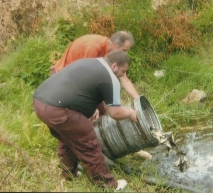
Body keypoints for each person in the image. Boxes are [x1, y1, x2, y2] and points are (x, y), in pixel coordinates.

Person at [33, 50, 137, 190]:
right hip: (59, 110)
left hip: (40, 103)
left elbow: (87, 92)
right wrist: (131, 113)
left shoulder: (90, 62)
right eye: (123, 71)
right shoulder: (109, 77)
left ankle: (69, 173)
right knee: (89, 144)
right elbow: (116, 113)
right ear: (114, 66)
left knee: (68, 138)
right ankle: (107, 185)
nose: (122, 75)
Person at [50, 30, 152, 160]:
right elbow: (84, 79)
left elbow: (124, 78)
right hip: (64, 80)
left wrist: (138, 100)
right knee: (73, 122)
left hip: (85, 81)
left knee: (103, 116)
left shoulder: (113, 55)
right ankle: (74, 159)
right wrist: (91, 109)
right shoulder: (93, 48)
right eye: (125, 50)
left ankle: (106, 149)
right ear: (115, 44)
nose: (125, 53)